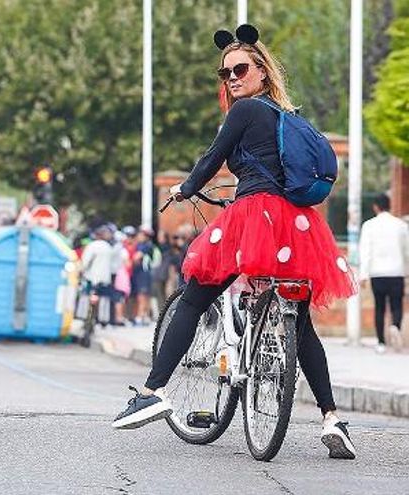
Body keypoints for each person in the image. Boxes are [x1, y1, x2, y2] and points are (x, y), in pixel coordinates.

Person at [112, 25, 358, 460]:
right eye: (224, 73)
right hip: (297, 224)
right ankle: (331, 419)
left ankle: (152, 392)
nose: (231, 78)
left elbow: (214, 156)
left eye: (240, 69)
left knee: (194, 297)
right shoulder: (285, 115)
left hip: (255, 214)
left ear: (262, 71)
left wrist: (186, 189)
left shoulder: (245, 111)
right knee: (301, 327)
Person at [359, 193, 409, 353]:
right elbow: (407, 250)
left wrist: (363, 275)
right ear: (389, 206)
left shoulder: (369, 225)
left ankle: (381, 343)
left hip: (377, 273)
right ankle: (395, 326)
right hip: (397, 272)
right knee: (397, 305)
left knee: (379, 307)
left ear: (375, 207)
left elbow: (365, 251)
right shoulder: (401, 225)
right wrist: (406, 271)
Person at [81, 225, 117, 325]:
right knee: (104, 299)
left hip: (91, 278)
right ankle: (103, 320)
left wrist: (81, 271)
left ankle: (83, 318)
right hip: (105, 278)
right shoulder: (108, 247)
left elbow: (85, 262)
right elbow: (113, 266)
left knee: (85, 297)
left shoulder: (92, 246)